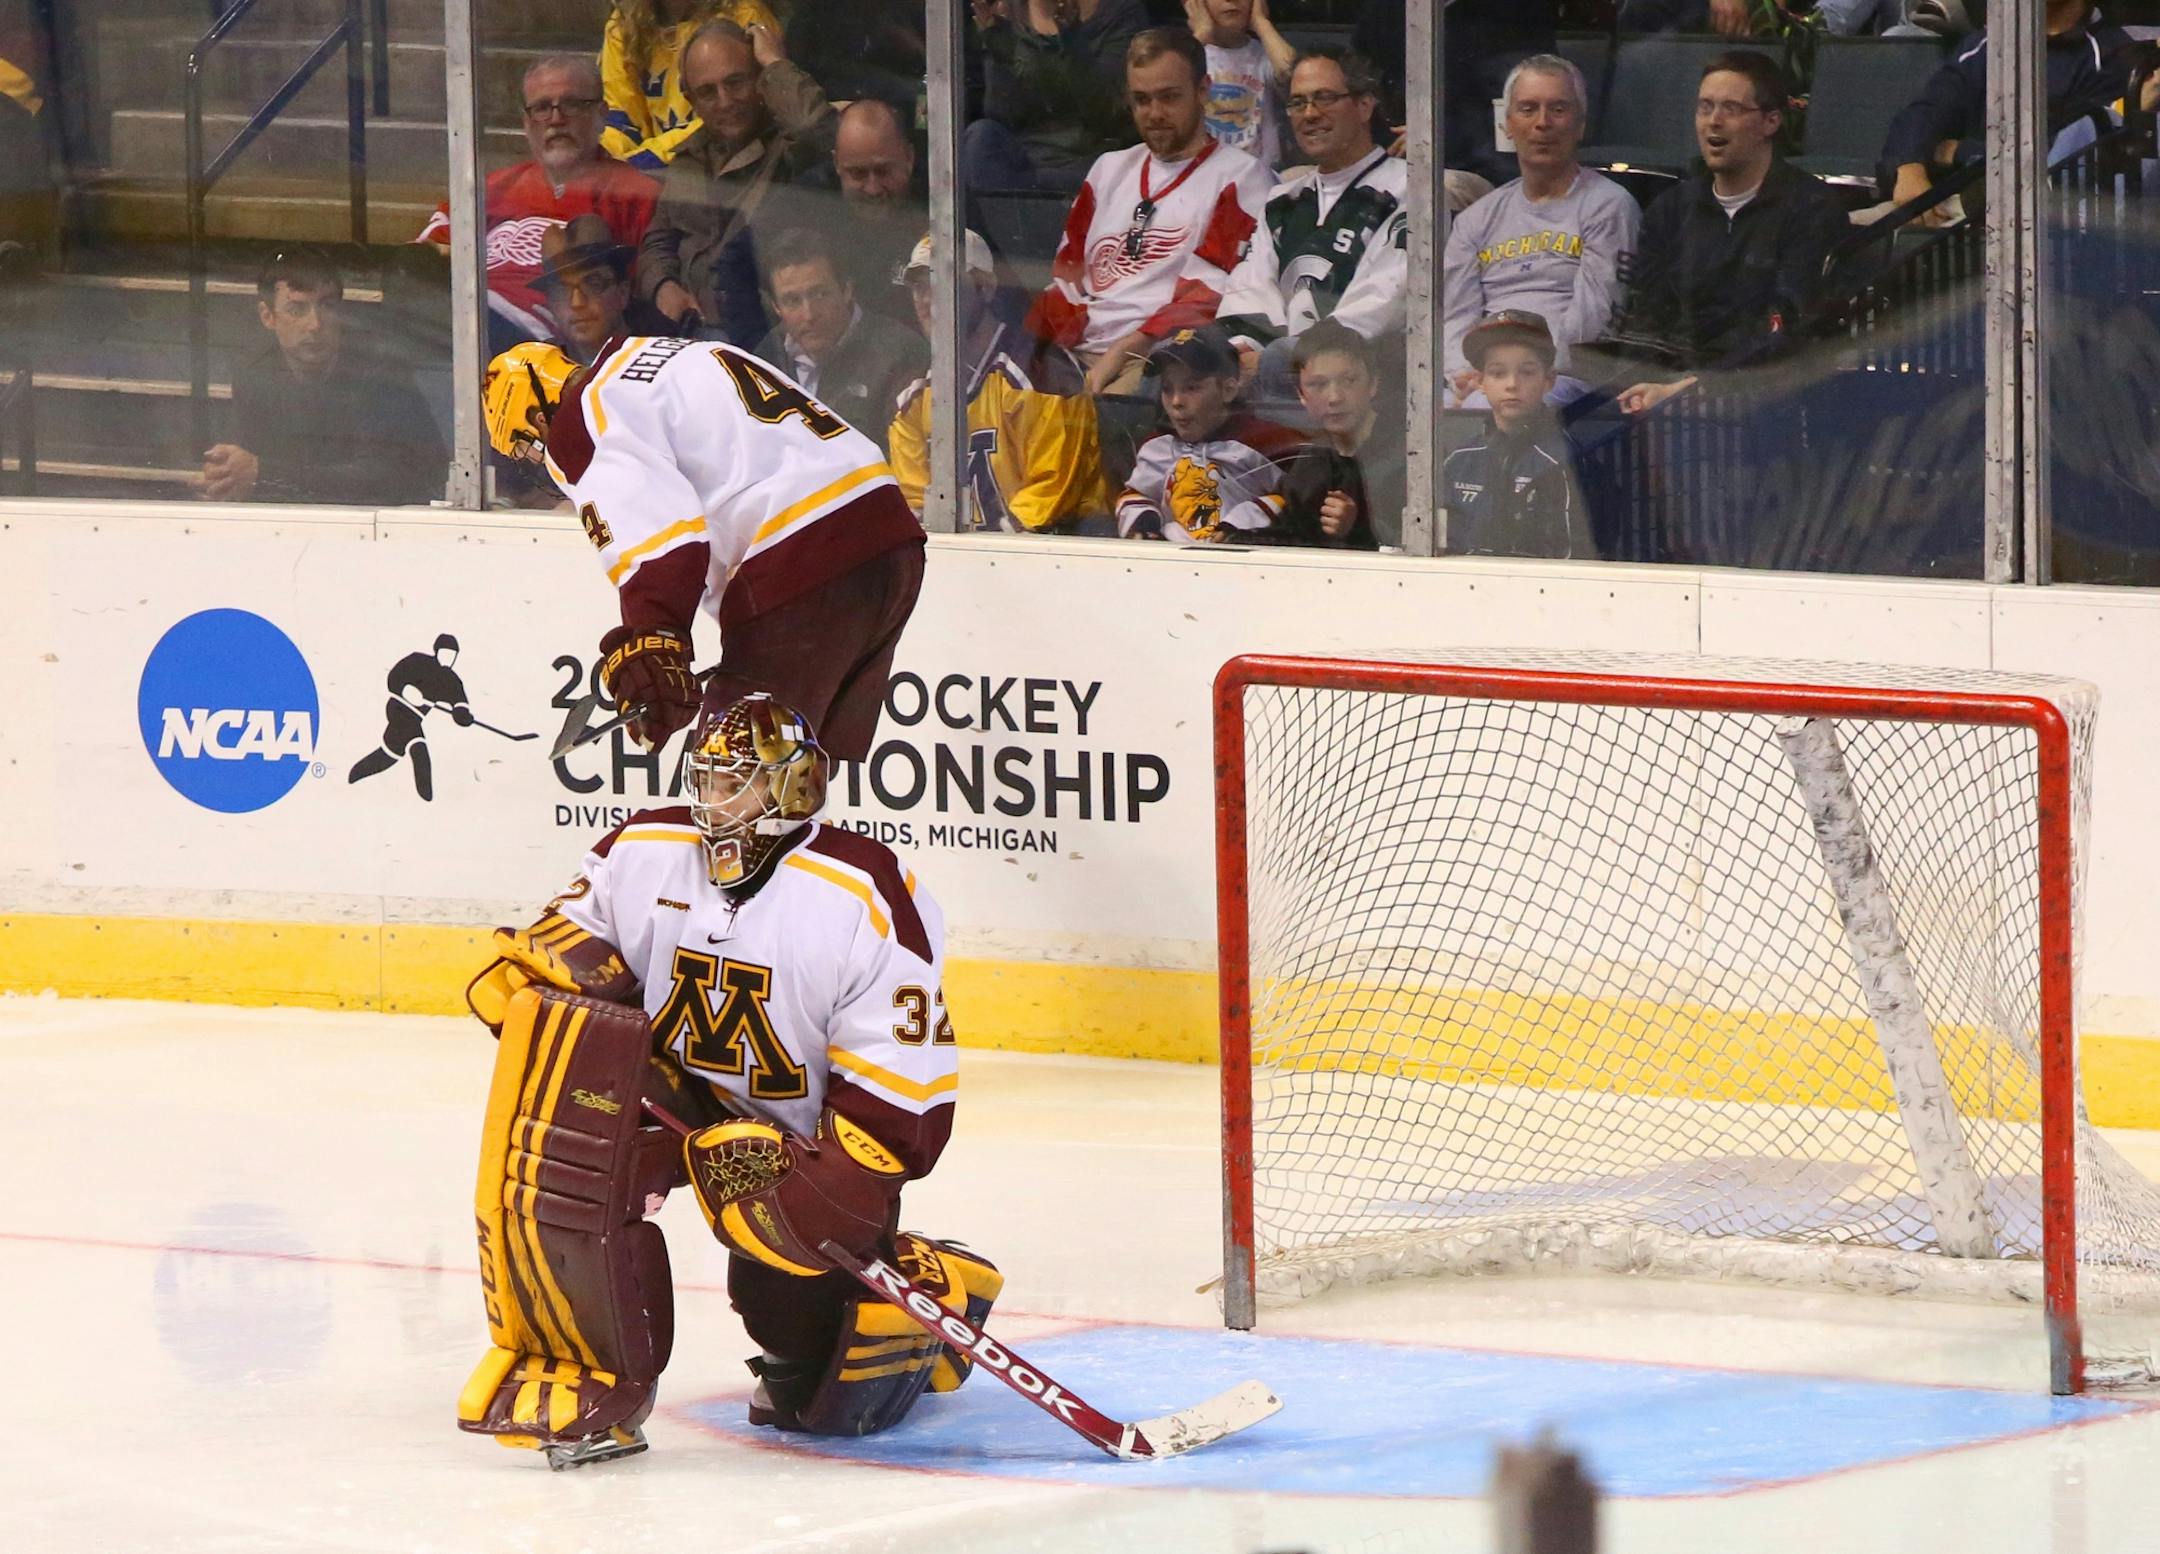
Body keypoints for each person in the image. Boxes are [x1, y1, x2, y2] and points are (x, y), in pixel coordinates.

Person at [458, 690, 999, 1464]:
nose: (713, 800)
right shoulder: (643, 850)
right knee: (560, 1145)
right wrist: (532, 983)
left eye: (735, 782)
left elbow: (901, 1080)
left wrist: (835, 1183)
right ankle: (591, 1373)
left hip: (802, 1136)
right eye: (705, 780)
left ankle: (928, 1286)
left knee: (804, 1366)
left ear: (793, 787)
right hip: (671, 1093)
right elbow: (572, 948)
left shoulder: (862, 893)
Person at [481, 332, 923, 761]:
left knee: (730, 774)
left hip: (804, 555)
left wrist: (656, 637)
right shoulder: (661, 355)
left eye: (529, 448)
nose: (543, 459)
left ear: (540, 419)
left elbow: (661, 544)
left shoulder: (581, 417)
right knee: (797, 766)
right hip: (888, 536)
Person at [1024, 28, 1271, 397]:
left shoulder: (1242, 177)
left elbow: (1209, 295)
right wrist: (1040, 349)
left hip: (1161, 358)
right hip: (1077, 354)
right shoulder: (1109, 169)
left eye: (1169, 98)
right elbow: (1067, 274)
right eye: (1142, 100)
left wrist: (1123, 350)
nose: (1154, 113)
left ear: (1203, 90)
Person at [1609, 51, 1849, 416]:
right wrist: (1643, 385)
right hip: (1668, 392)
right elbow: (1644, 317)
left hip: (1770, 397)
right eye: (1704, 108)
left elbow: (1787, 322)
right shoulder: (1670, 210)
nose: (1713, 122)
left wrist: (1697, 387)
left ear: (1770, 122)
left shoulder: (1812, 209)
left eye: (1731, 109)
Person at [414, 55, 661, 351]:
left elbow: (637, 296)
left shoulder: (636, 194)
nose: (556, 120)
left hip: (535, 343)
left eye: (571, 104)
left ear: (601, 114)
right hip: (453, 317)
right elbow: (419, 261)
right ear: (526, 123)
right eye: (542, 108)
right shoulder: (492, 187)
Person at [1443, 56, 1640, 408]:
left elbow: (1594, 322)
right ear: (1507, 125)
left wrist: (1525, 375)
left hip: (1567, 381)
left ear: (1581, 124)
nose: (1542, 123)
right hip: (1483, 379)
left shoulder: (1609, 207)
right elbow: (1455, 315)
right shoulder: (1475, 219)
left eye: (1559, 109)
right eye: (1528, 109)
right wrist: (1467, 374)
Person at [1216, 48, 1407, 406]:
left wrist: (1295, 355)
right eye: (1298, 103)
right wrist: (1242, 351)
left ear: (1365, 106)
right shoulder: (1283, 201)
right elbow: (1251, 286)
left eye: (1325, 99)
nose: (1310, 114)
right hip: (1281, 371)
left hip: (1366, 380)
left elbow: (1389, 295)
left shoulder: (1409, 188)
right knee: (1193, 363)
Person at [890, 231, 1109, 533]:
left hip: (1061, 558)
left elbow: (1047, 499)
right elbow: (914, 506)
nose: (927, 300)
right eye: (919, 287)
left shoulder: (1042, 373)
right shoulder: (913, 400)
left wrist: (977, 555)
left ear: (986, 288)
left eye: (943, 283)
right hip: (974, 564)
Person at [639, 18, 836, 347]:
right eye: (708, 92)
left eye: (736, 82)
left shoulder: (788, 151)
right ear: (691, 99)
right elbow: (656, 243)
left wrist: (774, 62)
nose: (725, 101)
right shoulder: (687, 160)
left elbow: (816, 131)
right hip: (691, 337)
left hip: (769, 339)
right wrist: (663, 286)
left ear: (760, 80)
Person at [202, 249, 446, 506]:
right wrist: (226, 482)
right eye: (297, 309)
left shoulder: (378, 370)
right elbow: (249, 466)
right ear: (268, 316)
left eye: (327, 306)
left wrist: (263, 474)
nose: (315, 324)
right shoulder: (254, 372)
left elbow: (387, 481)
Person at [1881, 1, 2146, 226]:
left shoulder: (2113, 55)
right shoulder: (1986, 44)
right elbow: (1925, 111)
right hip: (1951, 208)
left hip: (2046, 226)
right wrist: (1909, 167)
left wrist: (1958, 152)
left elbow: (2058, 151)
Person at [1115, 325, 1298, 543]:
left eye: (1191, 388)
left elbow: (1298, 498)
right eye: (1167, 389)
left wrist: (1241, 525)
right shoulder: (1156, 445)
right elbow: (1136, 494)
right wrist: (1144, 526)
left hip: (1245, 565)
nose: (1176, 402)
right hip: (1170, 562)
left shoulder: (1268, 441)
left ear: (1228, 390)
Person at [752, 228, 926, 453]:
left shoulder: (900, 354)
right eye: (792, 301)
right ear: (776, 307)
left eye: (820, 294)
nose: (809, 314)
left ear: (846, 289)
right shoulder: (764, 360)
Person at [1442, 310, 1595, 560]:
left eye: (1527, 372)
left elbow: (1575, 558)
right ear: (1480, 381)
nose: (1512, 384)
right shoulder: (1459, 461)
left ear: (1549, 380)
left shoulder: (1567, 459)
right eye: (1498, 373)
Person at [966, 0, 1150, 198]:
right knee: (981, 136)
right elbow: (1001, 113)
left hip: (1091, 158)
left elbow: (1107, 113)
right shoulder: (1008, 12)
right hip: (1024, 158)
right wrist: (999, 49)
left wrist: (1073, 42)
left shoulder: (1120, 13)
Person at [1256, 319, 1399, 550]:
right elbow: (1286, 537)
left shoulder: (1412, 454)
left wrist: (1359, 526)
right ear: (1301, 395)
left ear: (1373, 383)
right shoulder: (1311, 460)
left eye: (1348, 380)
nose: (1334, 397)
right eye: (1318, 384)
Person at [600, 0, 784, 169]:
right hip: (647, 169)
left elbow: (732, 116)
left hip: (724, 163)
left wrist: (649, 157)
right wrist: (603, 153)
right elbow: (621, 116)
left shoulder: (744, 15)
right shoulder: (624, 25)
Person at [821, 98, 928, 329]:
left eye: (883, 171)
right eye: (858, 174)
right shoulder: (810, 200)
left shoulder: (945, 204)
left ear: (909, 158)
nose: (873, 188)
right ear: (837, 163)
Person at [346, 634, 474, 802]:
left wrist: (462, 714)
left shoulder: (451, 679)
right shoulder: (418, 661)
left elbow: (459, 700)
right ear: (436, 651)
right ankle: (427, 799)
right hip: (399, 708)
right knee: (419, 749)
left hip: (416, 717)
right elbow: (394, 676)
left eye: (452, 655)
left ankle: (354, 775)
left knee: (390, 754)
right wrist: (405, 689)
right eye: (444, 652)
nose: (447, 658)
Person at [538, 214, 677, 364]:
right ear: (550, 305)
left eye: (593, 284)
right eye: (562, 290)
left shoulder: (671, 357)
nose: (577, 303)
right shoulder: (538, 367)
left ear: (623, 293)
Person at [1185, 0, 1294, 172]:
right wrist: (1202, 34)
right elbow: (1167, 88)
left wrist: (1261, 22)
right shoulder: (1189, 54)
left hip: (1261, 176)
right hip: (1202, 174)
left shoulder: (1264, 53)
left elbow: (1291, 74)